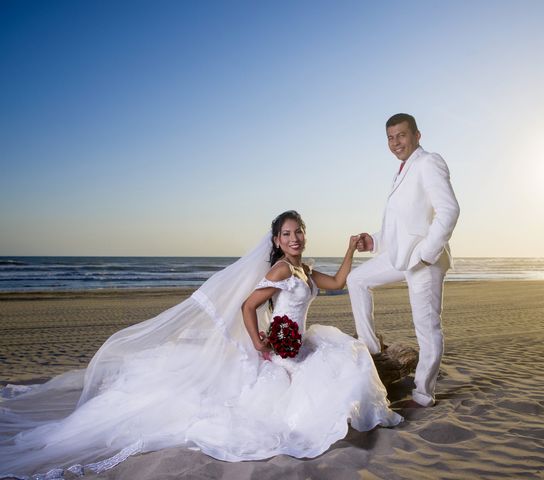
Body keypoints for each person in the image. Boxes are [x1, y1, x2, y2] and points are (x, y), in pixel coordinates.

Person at [0, 210, 401, 478]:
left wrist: (350, 249)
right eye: (287, 234)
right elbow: (248, 306)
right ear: (277, 241)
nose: (295, 238)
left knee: (344, 357)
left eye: (299, 232)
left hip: (298, 341)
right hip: (281, 348)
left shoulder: (306, 269)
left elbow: (337, 284)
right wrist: (261, 343)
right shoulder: (281, 268)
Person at [347, 113, 460, 407]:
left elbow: (449, 211)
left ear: (416, 135)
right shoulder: (401, 170)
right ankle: (371, 348)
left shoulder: (428, 162)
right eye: (391, 137)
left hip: (424, 260)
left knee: (427, 327)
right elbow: (402, 224)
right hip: (400, 255)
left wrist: (425, 253)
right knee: (356, 279)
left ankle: (423, 392)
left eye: (402, 135)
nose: (396, 142)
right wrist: (374, 240)